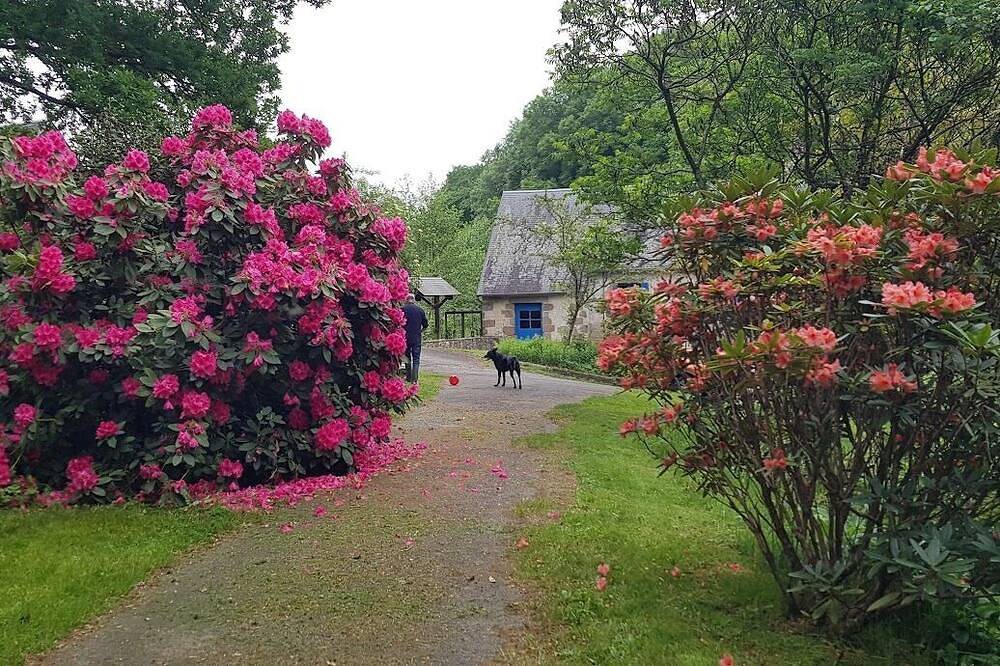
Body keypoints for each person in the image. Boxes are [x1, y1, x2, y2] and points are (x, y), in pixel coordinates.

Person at [402, 293, 428, 382]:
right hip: (416, 338)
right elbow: (425, 325)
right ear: (414, 300)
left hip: (405, 337)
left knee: (407, 357)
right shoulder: (420, 310)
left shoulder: (402, 310)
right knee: (416, 359)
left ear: (406, 300)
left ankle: (408, 377)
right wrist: (420, 331)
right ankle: (415, 379)